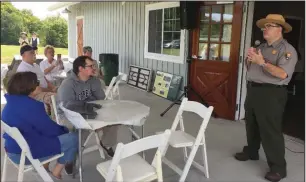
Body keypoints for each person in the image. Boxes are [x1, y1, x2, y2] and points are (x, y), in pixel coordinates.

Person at [234, 14, 298, 182]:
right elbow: (251, 70)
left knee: (270, 130)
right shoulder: (261, 47)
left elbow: (283, 74)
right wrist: (250, 60)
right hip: (253, 90)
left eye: (269, 26)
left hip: (272, 93)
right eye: (264, 26)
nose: (265, 29)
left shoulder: (287, 50)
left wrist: (262, 62)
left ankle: (278, 168)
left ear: (280, 29)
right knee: (251, 123)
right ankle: (252, 151)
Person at [1, 72, 78, 179]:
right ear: (28, 87)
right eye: (37, 82)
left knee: (63, 136)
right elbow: (50, 130)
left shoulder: (11, 102)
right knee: (73, 138)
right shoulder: (32, 106)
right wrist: (65, 130)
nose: (39, 84)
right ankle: (57, 171)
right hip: (25, 154)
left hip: (12, 149)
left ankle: (48, 169)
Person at [57, 56, 118, 157]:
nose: (94, 68)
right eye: (91, 66)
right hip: (68, 115)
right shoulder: (68, 84)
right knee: (81, 129)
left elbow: (101, 99)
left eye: (94, 65)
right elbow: (68, 106)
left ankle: (106, 144)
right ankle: (70, 157)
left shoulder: (93, 80)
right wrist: (88, 106)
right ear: (81, 69)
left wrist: (96, 81)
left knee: (113, 122)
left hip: (88, 110)